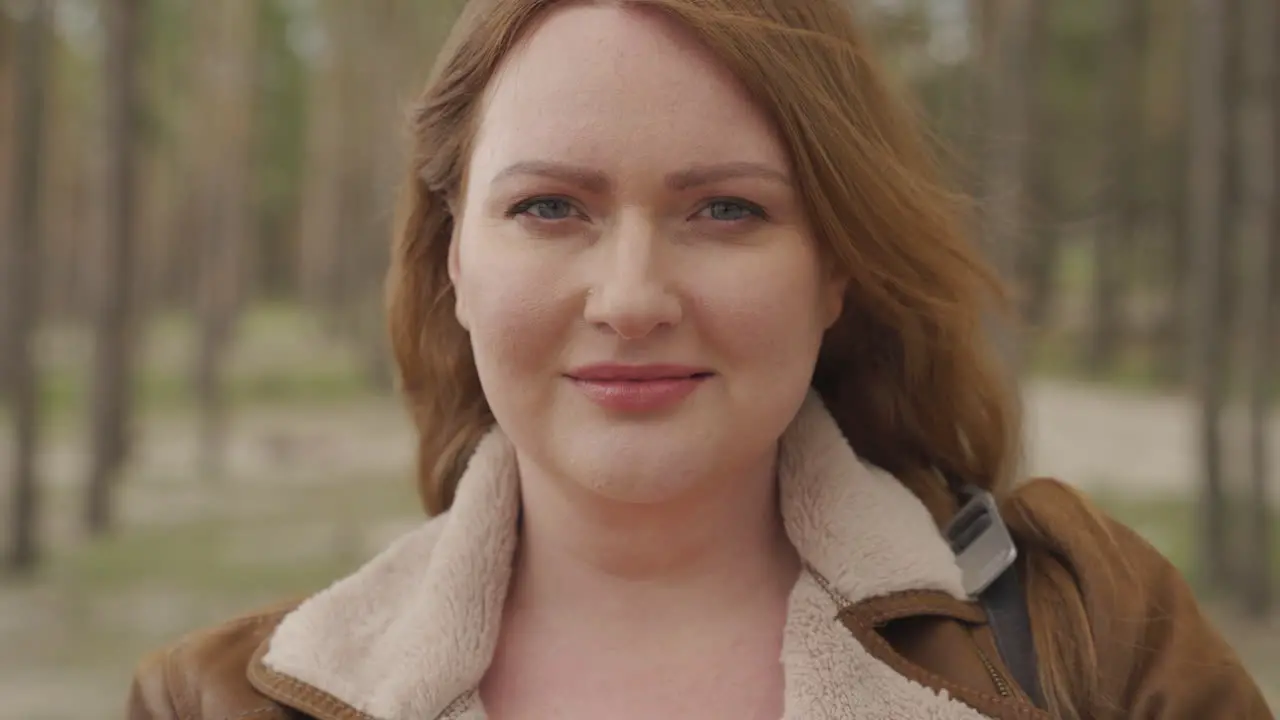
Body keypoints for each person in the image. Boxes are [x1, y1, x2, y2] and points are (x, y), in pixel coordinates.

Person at [127, 0, 1273, 718]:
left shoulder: (1095, 643)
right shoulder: (220, 703)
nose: (630, 301)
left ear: (835, 269)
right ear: (451, 268)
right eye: (547, 208)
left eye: (724, 209)